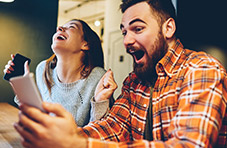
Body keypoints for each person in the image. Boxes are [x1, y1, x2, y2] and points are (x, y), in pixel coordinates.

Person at [14, 0, 227, 148]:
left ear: (168, 28)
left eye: (137, 29)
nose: (126, 41)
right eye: (124, 32)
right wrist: (62, 136)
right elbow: (113, 127)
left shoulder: (202, 69)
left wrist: (75, 143)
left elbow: (188, 145)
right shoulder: (134, 83)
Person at [4, 19, 115, 127]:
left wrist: (101, 102)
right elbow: (37, 116)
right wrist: (21, 86)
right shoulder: (43, 69)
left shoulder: (98, 77)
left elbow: (99, 130)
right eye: (60, 28)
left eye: (71, 27)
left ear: (85, 44)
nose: (59, 28)